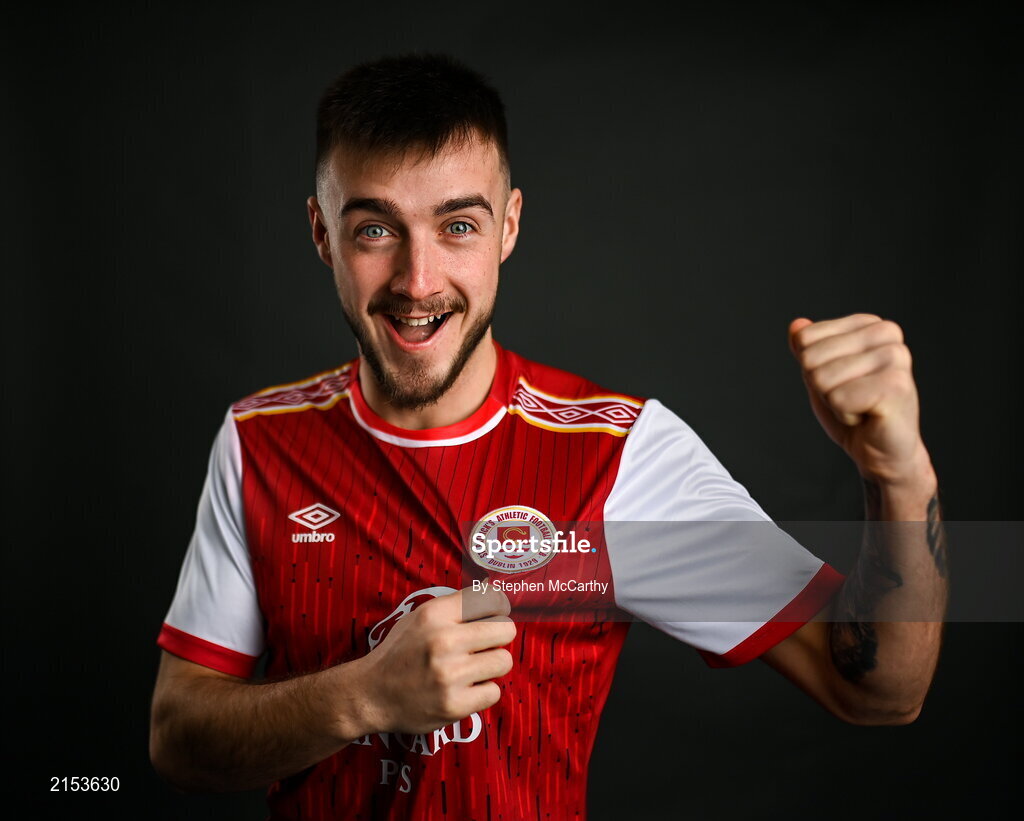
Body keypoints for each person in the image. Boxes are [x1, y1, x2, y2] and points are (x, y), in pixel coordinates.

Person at [148, 53, 947, 819]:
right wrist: (362, 696)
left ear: (509, 228)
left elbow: (878, 690)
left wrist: (898, 476)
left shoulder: (617, 456)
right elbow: (178, 741)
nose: (418, 280)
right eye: (374, 231)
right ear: (322, 234)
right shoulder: (261, 441)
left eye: (458, 225)